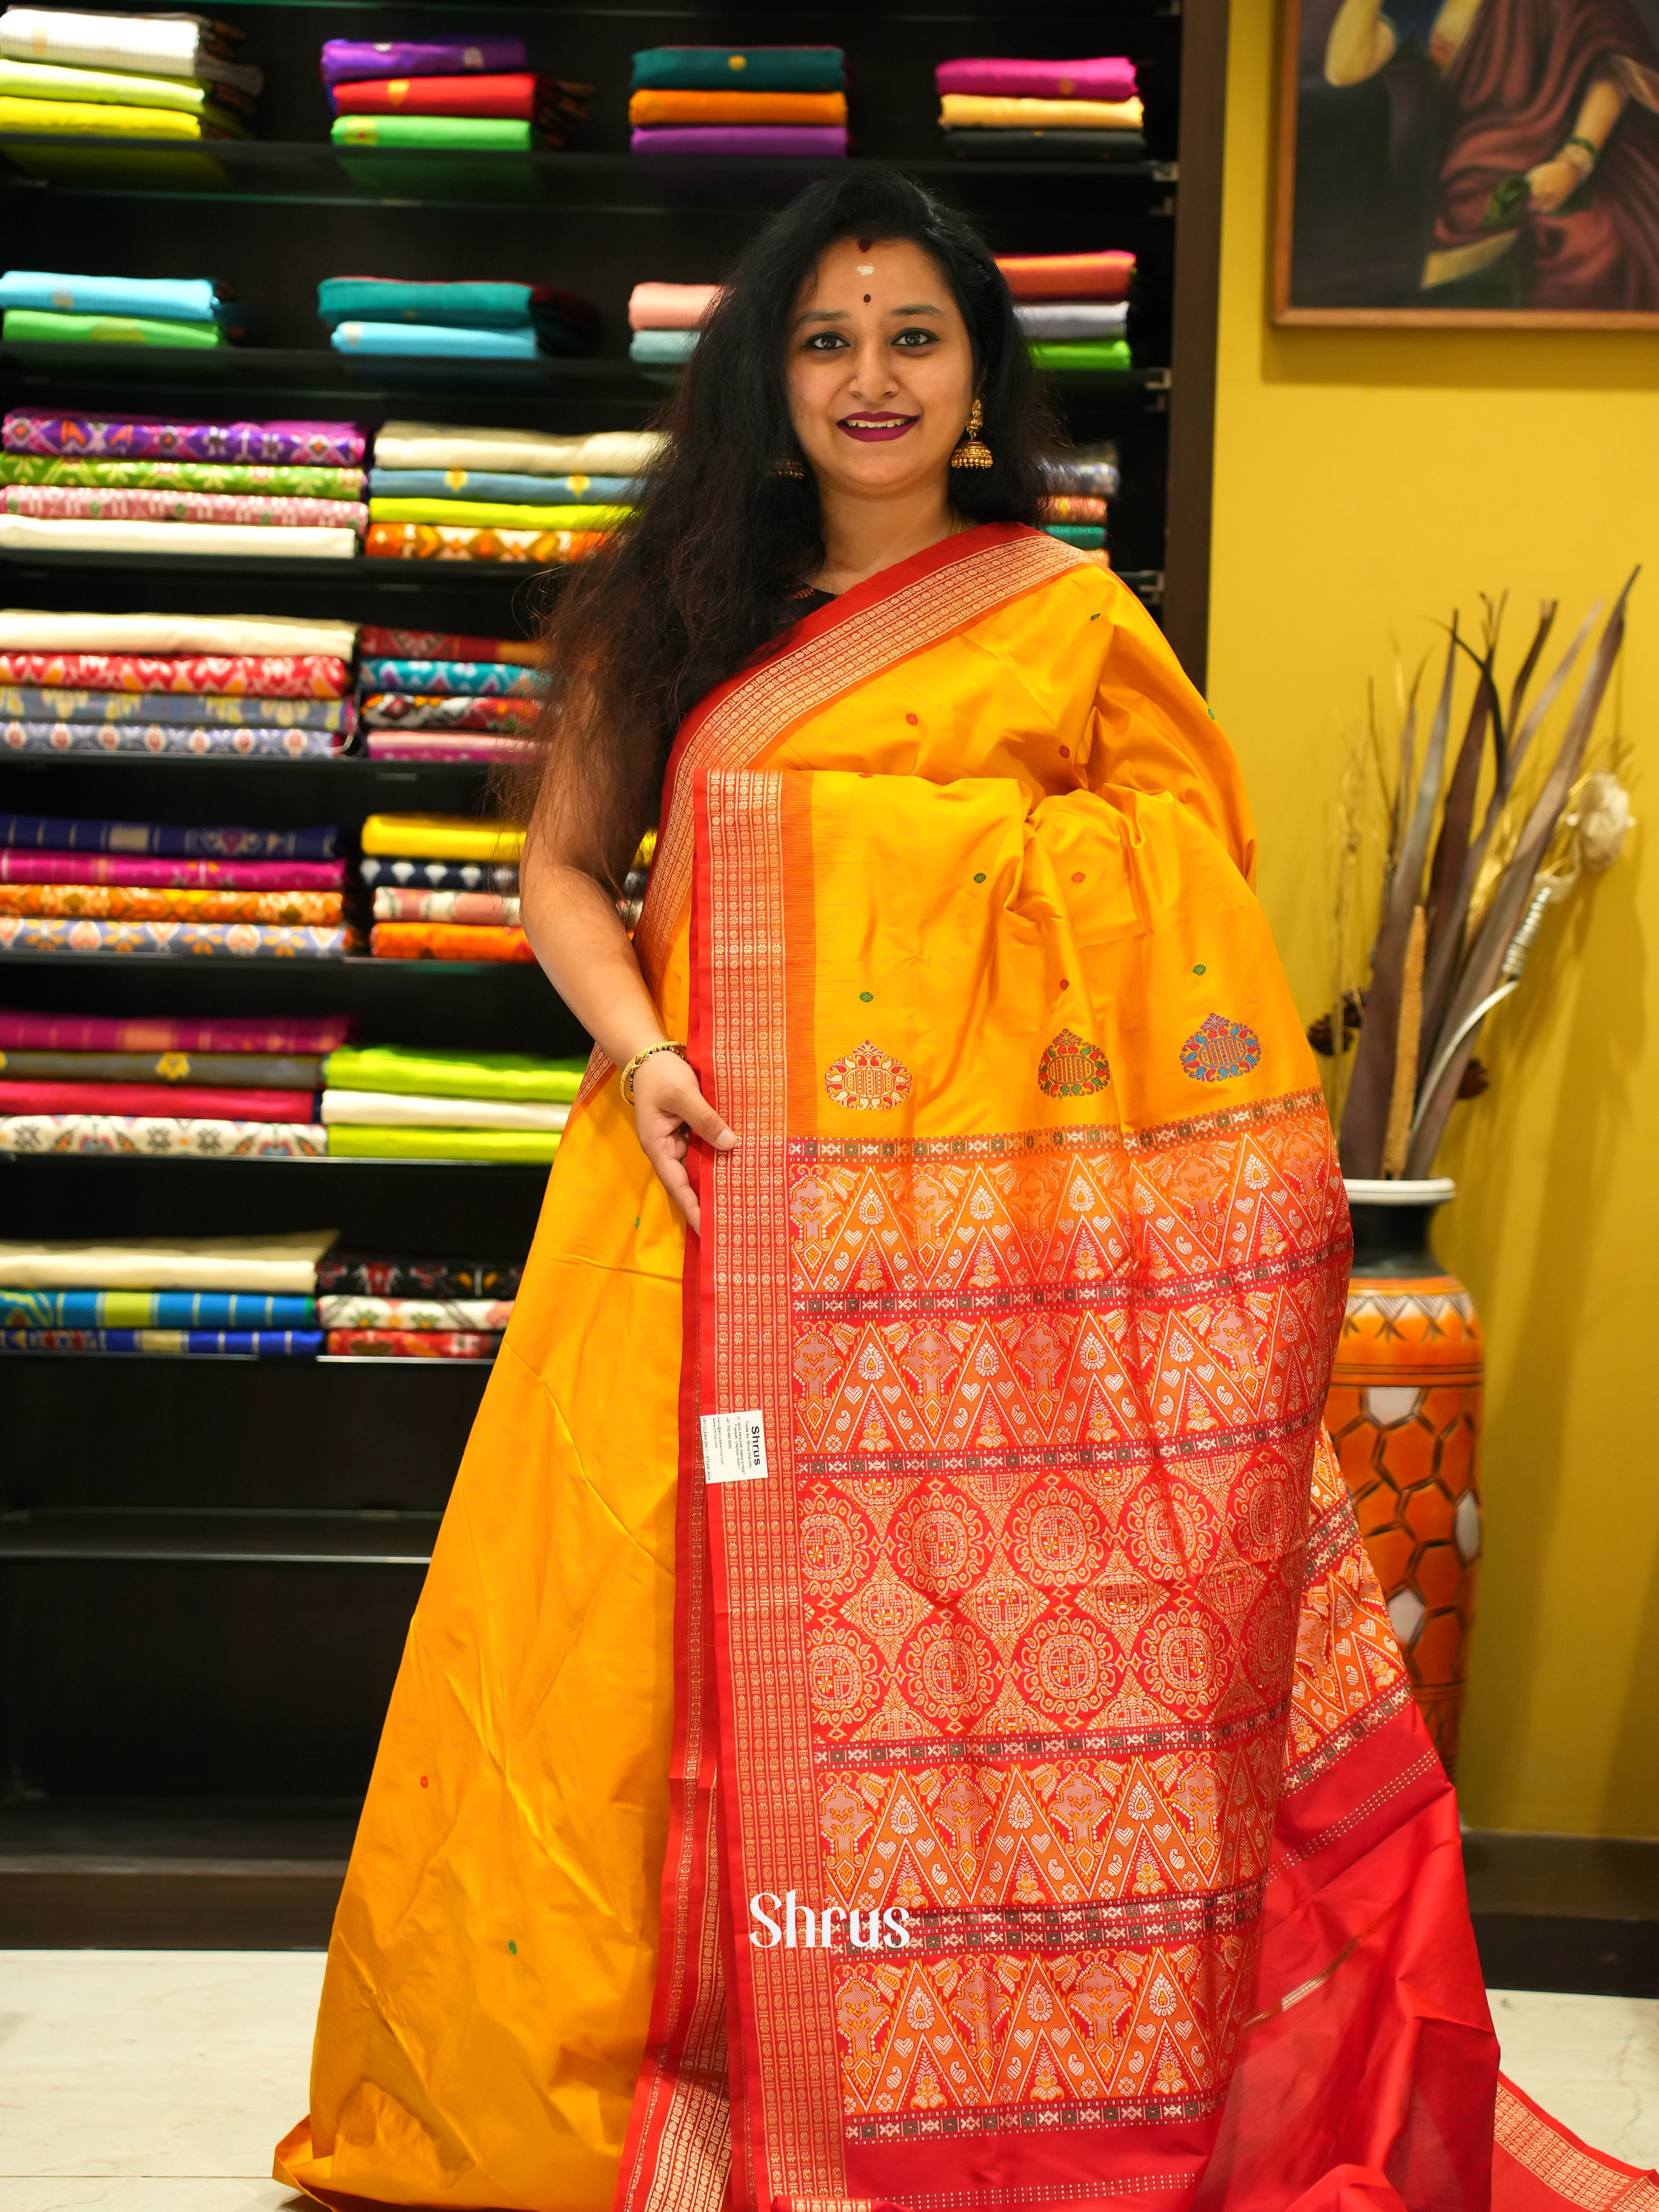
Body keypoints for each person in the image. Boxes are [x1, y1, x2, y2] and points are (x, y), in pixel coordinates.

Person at [276, 171, 1649, 2212]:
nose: (868, 379)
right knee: (602, 1672)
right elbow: (562, 874)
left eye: (912, 335)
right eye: (823, 340)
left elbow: (1184, 934)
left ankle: (970, 2087)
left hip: (979, 1281)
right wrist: (647, 1044)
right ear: (764, 377)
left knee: (977, 1678)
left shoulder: (1071, 621)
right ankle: (638, 2103)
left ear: (981, 374)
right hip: (699, 1206)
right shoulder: (671, 601)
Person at [1324, 0, 1659, 306]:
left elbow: (1612, 67)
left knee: (1594, 244)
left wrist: (1575, 160)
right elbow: (1344, 70)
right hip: (1473, 177)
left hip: (1581, 161)